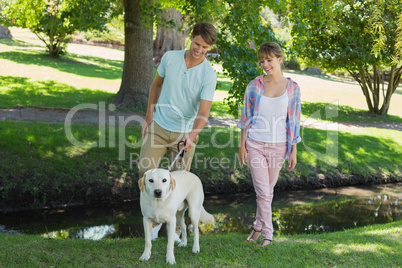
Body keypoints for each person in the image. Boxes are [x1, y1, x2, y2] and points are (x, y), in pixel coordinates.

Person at [237, 42, 301, 247]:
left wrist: (293, 150)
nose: (265, 64)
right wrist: (242, 145)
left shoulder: (292, 88)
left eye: (269, 60)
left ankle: (257, 226)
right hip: (254, 143)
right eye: (262, 61)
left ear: (280, 59)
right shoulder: (254, 86)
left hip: (279, 146)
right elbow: (245, 118)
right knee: (263, 192)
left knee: (267, 192)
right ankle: (268, 235)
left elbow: (294, 121)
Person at [138, 22, 217, 178]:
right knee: (145, 174)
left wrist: (192, 136)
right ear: (191, 37)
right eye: (197, 44)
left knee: (179, 184)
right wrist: (148, 118)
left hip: (184, 135)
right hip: (159, 127)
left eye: (205, 47)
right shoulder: (170, 57)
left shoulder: (208, 75)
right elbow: (156, 86)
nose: (199, 50)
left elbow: (203, 113)